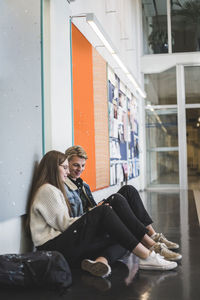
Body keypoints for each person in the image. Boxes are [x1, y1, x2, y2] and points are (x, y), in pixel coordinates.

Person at [28, 150, 178, 279]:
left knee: (123, 235)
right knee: (108, 211)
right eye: (66, 167)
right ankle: (147, 255)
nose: (68, 171)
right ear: (54, 167)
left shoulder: (59, 188)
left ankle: (102, 261)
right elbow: (65, 224)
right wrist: (95, 214)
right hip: (55, 248)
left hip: (64, 245)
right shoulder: (48, 190)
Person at [64, 145, 182, 264]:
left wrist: (99, 207)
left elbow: (92, 206)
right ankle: (151, 245)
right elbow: (74, 220)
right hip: (86, 227)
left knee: (128, 190)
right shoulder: (63, 188)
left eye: (83, 165)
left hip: (96, 217)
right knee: (116, 200)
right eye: (76, 165)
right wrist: (98, 210)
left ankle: (154, 236)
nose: (80, 169)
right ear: (66, 164)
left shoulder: (83, 185)